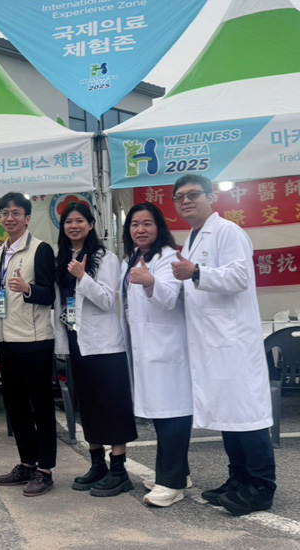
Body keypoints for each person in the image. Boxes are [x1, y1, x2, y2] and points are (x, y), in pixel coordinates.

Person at [170, 174, 275, 516]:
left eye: (193, 194)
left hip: (234, 342)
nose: (186, 201)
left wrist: (196, 272)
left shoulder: (228, 232)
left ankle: (262, 485)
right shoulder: (192, 239)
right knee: (229, 413)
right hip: (212, 343)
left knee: (247, 413)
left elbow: (240, 276)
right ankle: (239, 477)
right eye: (179, 197)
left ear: (210, 196)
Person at [54, 202, 137, 497]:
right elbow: (61, 304)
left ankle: (119, 470)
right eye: (69, 222)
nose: (74, 226)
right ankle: (97, 464)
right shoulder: (63, 259)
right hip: (77, 341)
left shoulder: (105, 258)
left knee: (112, 405)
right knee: (88, 405)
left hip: (104, 345)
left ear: (91, 225)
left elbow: (106, 300)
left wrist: (82, 276)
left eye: (80, 221)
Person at [120, 203, 193, 507]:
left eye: (147, 223)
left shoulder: (169, 257)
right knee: (162, 414)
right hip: (147, 348)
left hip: (167, 348)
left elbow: (169, 298)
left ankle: (171, 483)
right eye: (134, 224)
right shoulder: (133, 258)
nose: (140, 230)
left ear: (159, 227)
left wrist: (151, 282)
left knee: (172, 413)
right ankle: (178, 474)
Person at [0, 192, 57, 497]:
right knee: (15, 405)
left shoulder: (41, 249)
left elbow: (49, 294)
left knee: (41, 406)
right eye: (5, 213)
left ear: (27, 218)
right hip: (7, 339)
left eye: (16, 213)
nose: (10, 218)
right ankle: (27, 463)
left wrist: (28, 288)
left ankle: (45, 470)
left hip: (35, 340)